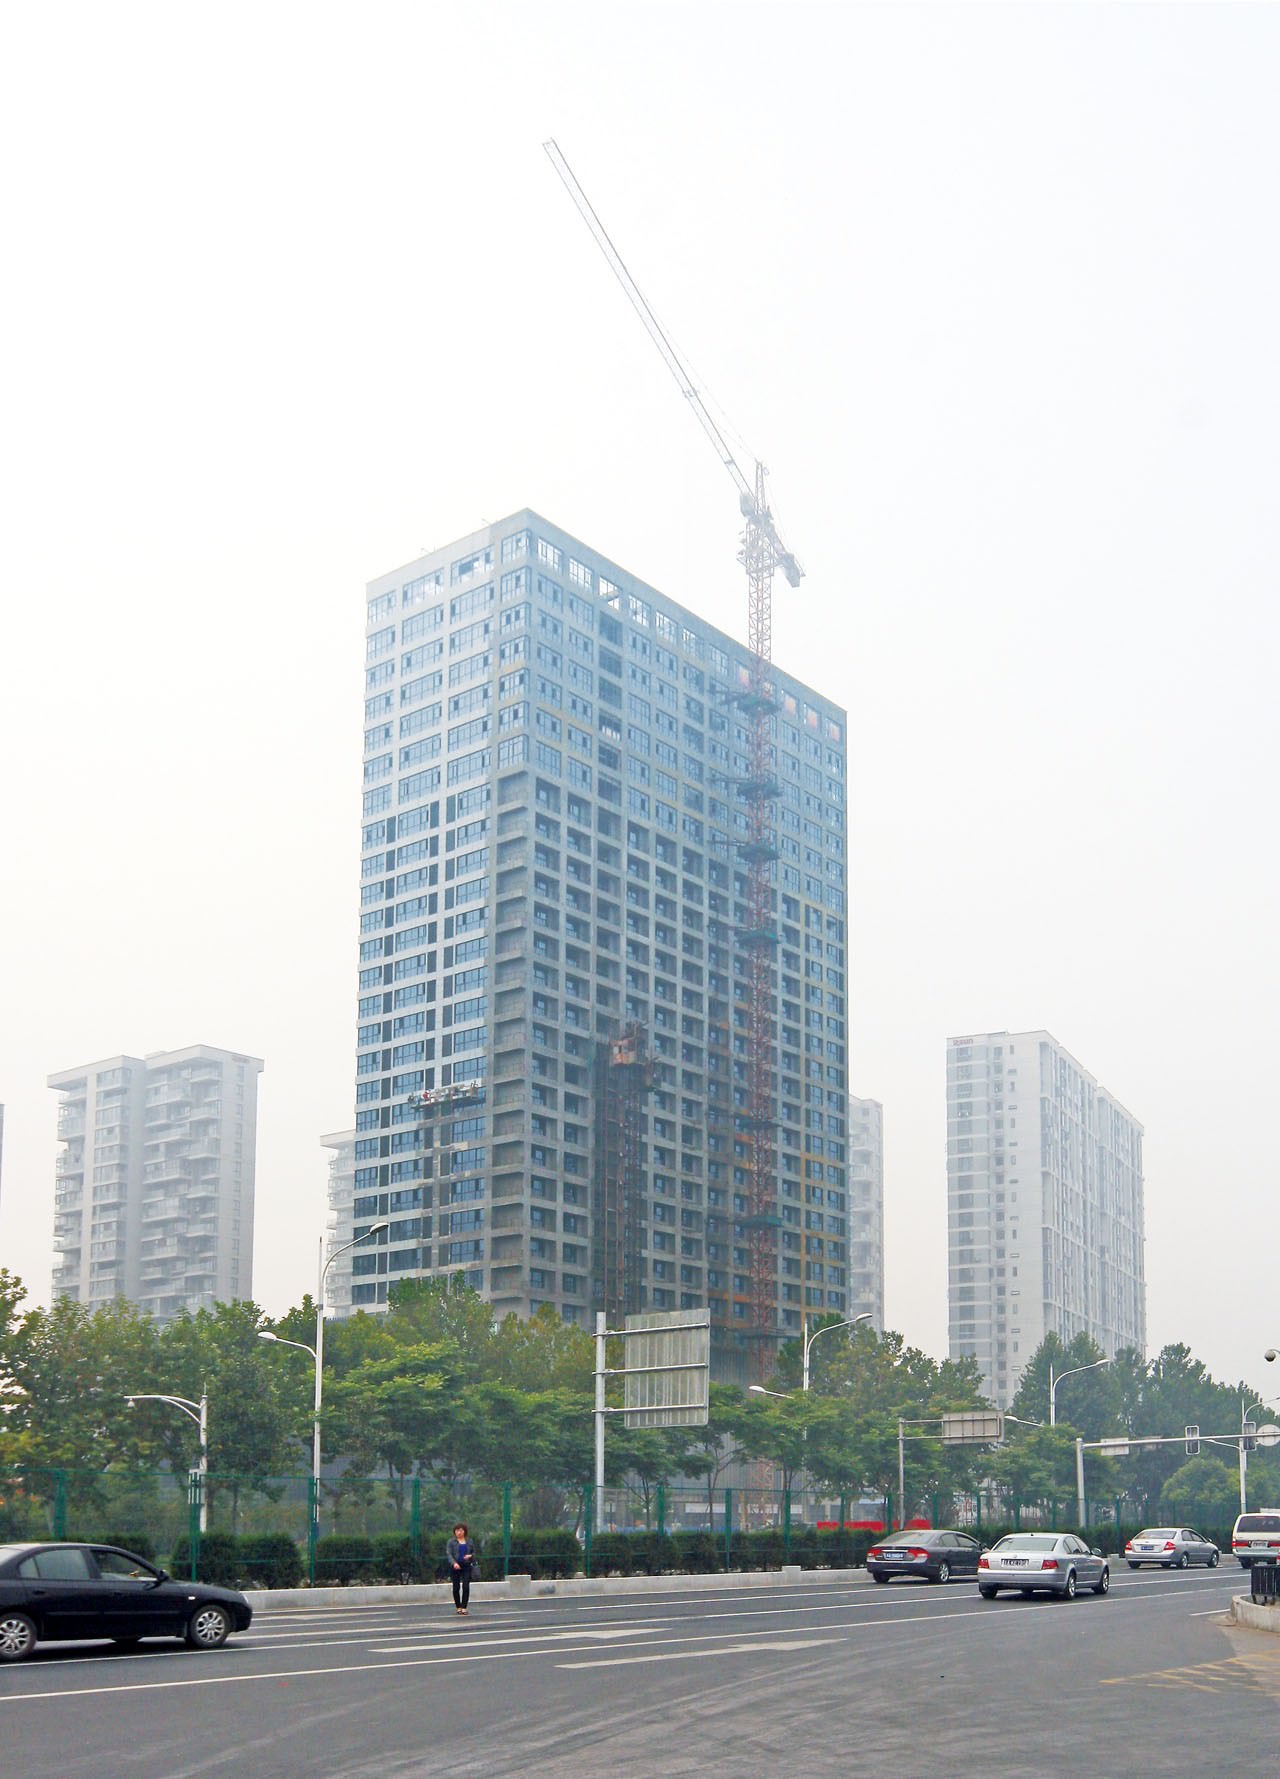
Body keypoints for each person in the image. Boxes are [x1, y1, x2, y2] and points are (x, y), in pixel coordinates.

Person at [446, 1523, 477, 1614]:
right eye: (457, 1530)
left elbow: (474, 1553)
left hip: (466, 1565)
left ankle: (464, 1607)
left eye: (461, 1530)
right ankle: (458, 1606)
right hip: (455, 1566)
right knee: (456, 1587)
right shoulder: (451, 1542)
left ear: (464, 1531)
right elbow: (449, 1554)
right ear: (454, 1532)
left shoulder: (469, 1541)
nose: (459, 1532)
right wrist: (454, 1563)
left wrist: (470, 1556)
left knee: (466, 1586)